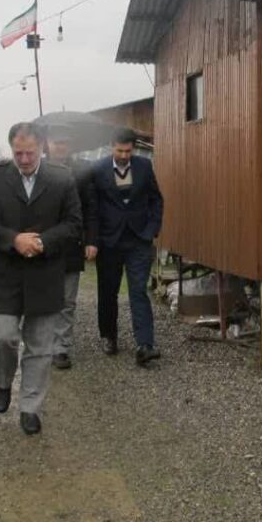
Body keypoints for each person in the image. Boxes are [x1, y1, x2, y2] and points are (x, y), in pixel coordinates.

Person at [0, 122, 81, 435]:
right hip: (5, 273)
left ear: (41, 147)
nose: (23, 159)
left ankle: (30, 407)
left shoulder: (61, 179)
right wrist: (13, 239)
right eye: (18, 152)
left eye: (29, 152)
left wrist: (43, 242)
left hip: (46, 274)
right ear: (11, 149)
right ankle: (3, 381)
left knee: (39, 347)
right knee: (3, 337)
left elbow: (74, 224)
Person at [88, 127, 164, 366]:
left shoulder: (144, 166)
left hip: (138, 240)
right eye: (120, 150)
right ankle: (109, 336)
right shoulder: (98, 169)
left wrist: (152, 229)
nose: (123, 155)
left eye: (128, 151)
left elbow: (156, 199)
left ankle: (145, 344)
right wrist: (93, 239)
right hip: (109, 242)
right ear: (112, 147)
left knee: (138, 291)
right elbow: (92, 207)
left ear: (133, 148)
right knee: (108, 291)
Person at [45, 134, 98, 371]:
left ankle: (61, 348)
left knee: (67, 301)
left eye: (64, 141)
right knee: (44, 299)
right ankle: (42, 344)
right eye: (56, 141)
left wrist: (91, 240)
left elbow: (91, 207)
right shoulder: (35, 168)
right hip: (43, 246)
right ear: (47, 143)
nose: (60, 145)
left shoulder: (83, 172)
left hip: (72, 244)